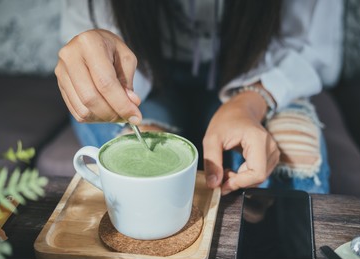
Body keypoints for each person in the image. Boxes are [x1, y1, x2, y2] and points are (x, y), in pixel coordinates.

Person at [55, 0, 343, 195]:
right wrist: (102, 57)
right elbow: (99, 50)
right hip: (148, 76)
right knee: (143, 178)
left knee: (288, 166)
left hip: (256, 67)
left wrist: (250, 101)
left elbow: (309, 46)